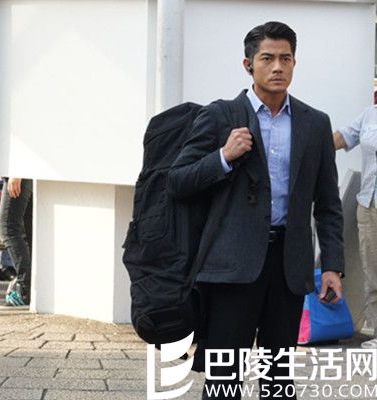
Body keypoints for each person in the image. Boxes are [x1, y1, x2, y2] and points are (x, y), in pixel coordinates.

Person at [168, 21, 344, 399]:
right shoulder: (221, 116)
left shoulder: (315, 124)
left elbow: (328, 204)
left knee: (278, 379)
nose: (277, 67)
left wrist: (332, 265)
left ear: (294, 63)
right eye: (267, 58)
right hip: (232, 267)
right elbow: (178, 180)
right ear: (248, 64)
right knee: (224, 378)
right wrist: (223, 156)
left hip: (289, 266)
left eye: (286, 58)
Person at [334, 105, 377, 349]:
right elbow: (343, 137)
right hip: (369, 205)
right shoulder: (370, 114)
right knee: (373, 273)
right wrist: (309, 142)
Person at [0, 178, 32, 307]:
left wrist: (16, 173)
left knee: (7, 229)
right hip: (24, 174)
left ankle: (25, 292)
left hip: (19, 174)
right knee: (26, 231)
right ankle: (28, 291)